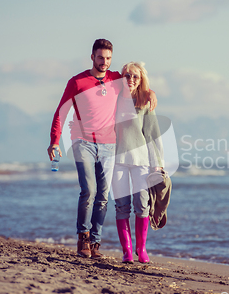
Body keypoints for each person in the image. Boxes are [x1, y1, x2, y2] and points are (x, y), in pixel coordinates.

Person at [47, 39, 157, 259]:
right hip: (83, 142)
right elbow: (61, 111)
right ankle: (83, 237)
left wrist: (150, 92)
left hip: (109, 145)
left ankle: (96, 242)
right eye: (100, 57)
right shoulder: (77, 82)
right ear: (92, 57)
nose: (104, 62)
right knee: (89, 190)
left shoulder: (116, 79)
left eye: (108, 58)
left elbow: (136, 80)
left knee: (104, 197)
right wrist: (54, 141)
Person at [112, 62, 164, 264]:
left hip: (141, 161)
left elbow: (153, 134)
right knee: (121, 207)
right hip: (117, 161)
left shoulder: (144, 101)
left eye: (135, 77)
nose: (130, 80)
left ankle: (141, 250)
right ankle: (127, 251)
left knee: (142, 205)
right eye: (127, 76)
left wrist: (157, 163)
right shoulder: (113, 100)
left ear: (141, 80)